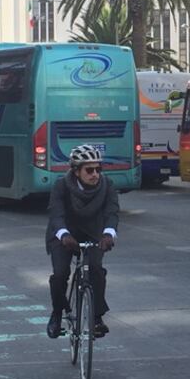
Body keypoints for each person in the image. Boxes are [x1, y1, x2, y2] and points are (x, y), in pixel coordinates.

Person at [45, 144, 119, 340]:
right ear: (76, 171)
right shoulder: (61, 185)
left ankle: (96, 318)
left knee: (95, 268)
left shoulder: (107, 185)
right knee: (60, 273)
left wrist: (109, 234)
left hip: (93, 234)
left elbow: (112, 212)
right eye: (89, 170)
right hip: (64, 234)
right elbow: (56, 214)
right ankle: (57, 313)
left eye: (98, 169)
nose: (95, 174)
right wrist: (63, 235)